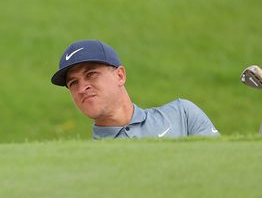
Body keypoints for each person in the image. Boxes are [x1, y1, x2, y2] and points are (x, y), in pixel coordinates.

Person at [51, 40, 220, 139]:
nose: (82, 88)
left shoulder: (182, 115)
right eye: (73, 83)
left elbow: (224, 169)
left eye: (91, 74)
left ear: (120, 76)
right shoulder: (87, 161)